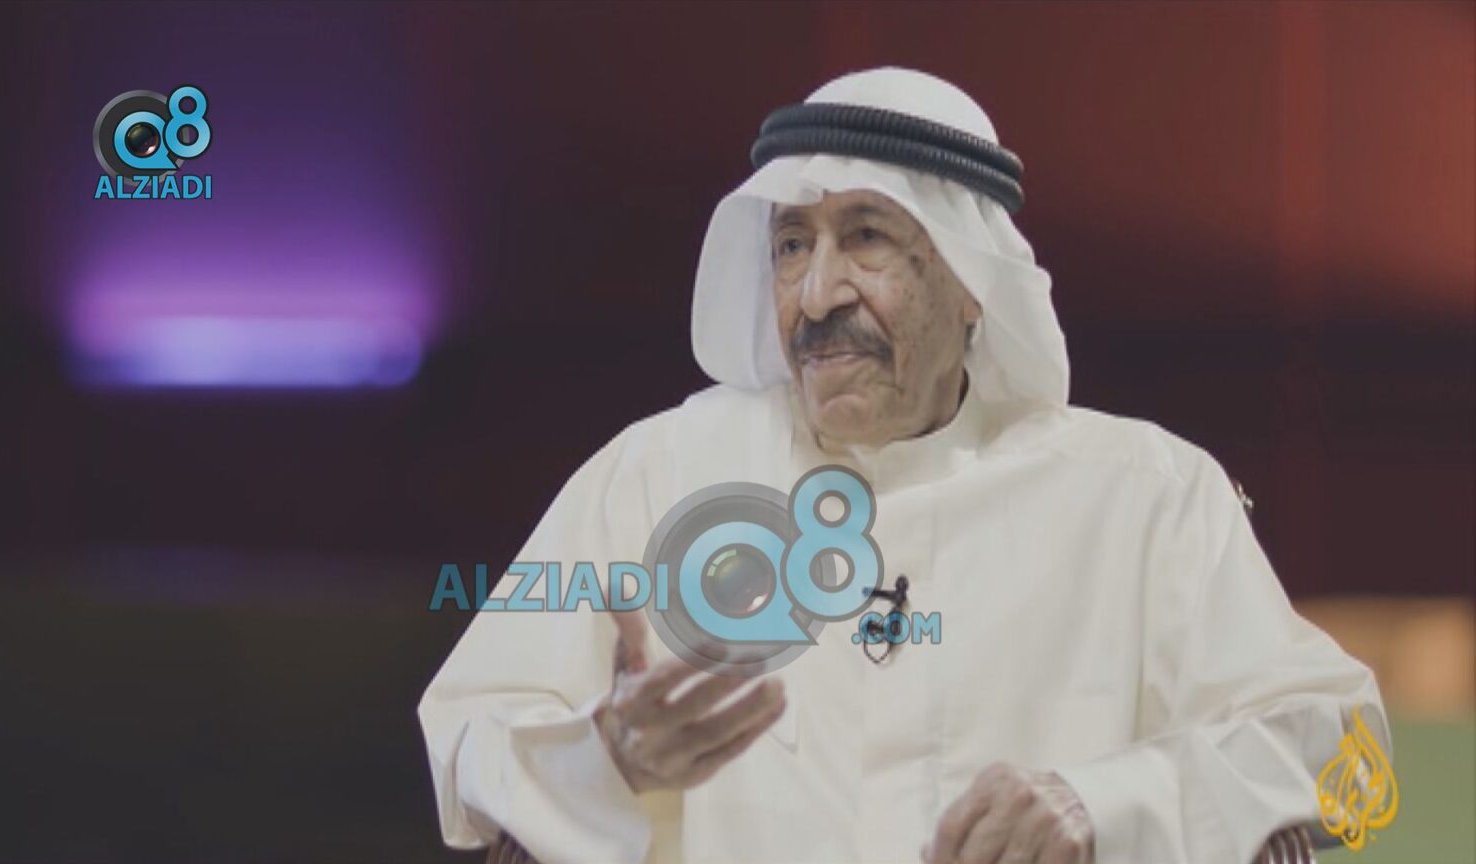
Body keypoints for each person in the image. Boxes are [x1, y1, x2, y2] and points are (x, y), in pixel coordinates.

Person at [418, 67, 1386, 864]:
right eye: (790, 246)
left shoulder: (1142, 495)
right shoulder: (657, 473)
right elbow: (470, 746)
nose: (815, 294)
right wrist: (603, 758)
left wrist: (1108, 805)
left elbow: (1358, 772)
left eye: (866, 238)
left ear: (973, 281)